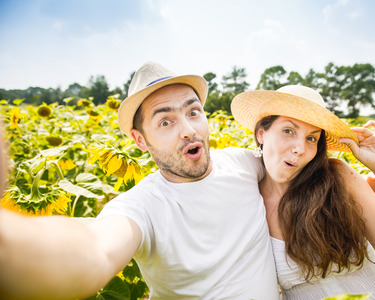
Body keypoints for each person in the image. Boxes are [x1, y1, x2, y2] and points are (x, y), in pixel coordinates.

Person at [0, 62, 280, 299]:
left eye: (193, 112)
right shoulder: (142, 206)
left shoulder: (245, 164)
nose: (188, 130)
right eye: (165, 122)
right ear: (140, 140)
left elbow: (303, 169)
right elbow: (96, 252)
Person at [231, 85, 375, 300]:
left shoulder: (337, 179)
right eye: (288, 131)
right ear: (261, 133)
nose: (300, 148)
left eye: (311, 138)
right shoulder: (247, 200)